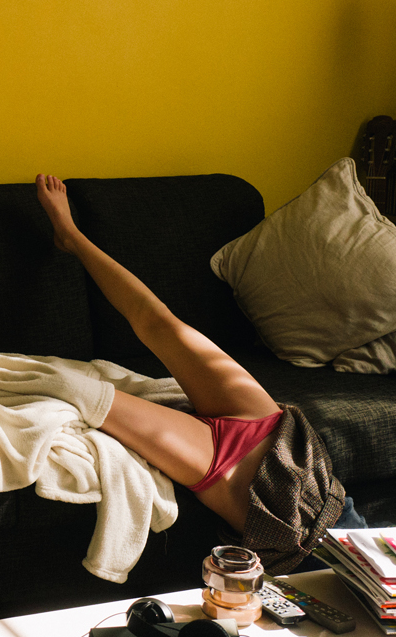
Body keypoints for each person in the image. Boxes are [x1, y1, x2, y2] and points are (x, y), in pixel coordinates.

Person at [33, 173, 364, 572]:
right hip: (281, 437)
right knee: (159, 322)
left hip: (234, 477)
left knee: (78, 392)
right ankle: (71, 236)